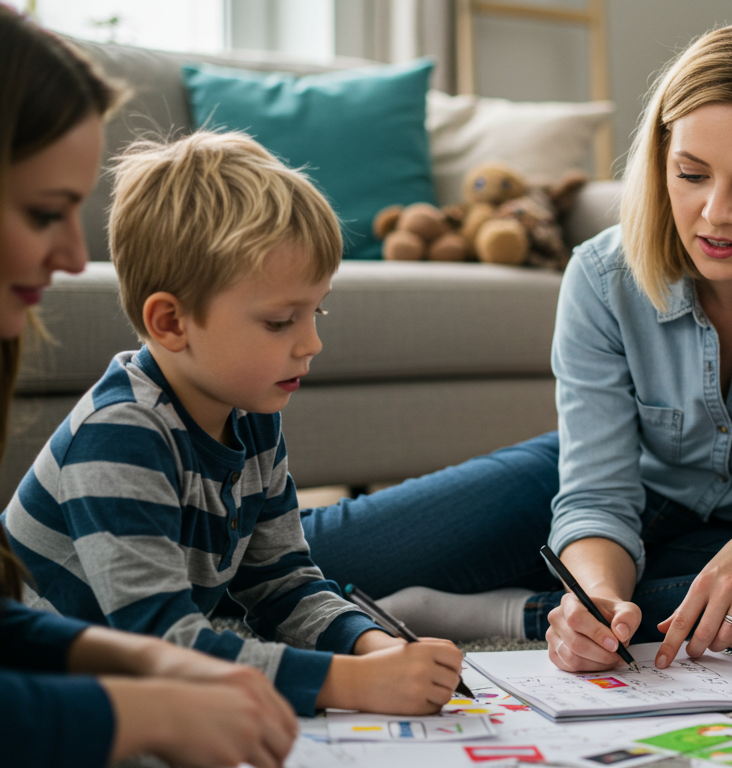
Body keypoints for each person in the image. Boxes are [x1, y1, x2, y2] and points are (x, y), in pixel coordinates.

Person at [298, 20, 732, 671]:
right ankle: (567, 602)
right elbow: (598, 495)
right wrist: (597, 594)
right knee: (295, 554)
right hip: (596, 496)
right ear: (662, 160)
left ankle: (513, 613)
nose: (715, 213)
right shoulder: (602, 274)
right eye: (690, 173)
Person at [2, 129, 466, 718]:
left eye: (316, 310)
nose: (312, 343)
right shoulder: (118, 436)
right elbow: (164, 646)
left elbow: (284, 585)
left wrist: (377, 649)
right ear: (171, 322)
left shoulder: (251, 419)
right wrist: (349, 684)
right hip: (38, 694)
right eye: (280, 322)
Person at [0, 6, 298, 766]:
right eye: (43, 213)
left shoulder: (252, 419)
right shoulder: (119, 430)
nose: (75, 257)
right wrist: (134, 710)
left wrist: (154, 664)